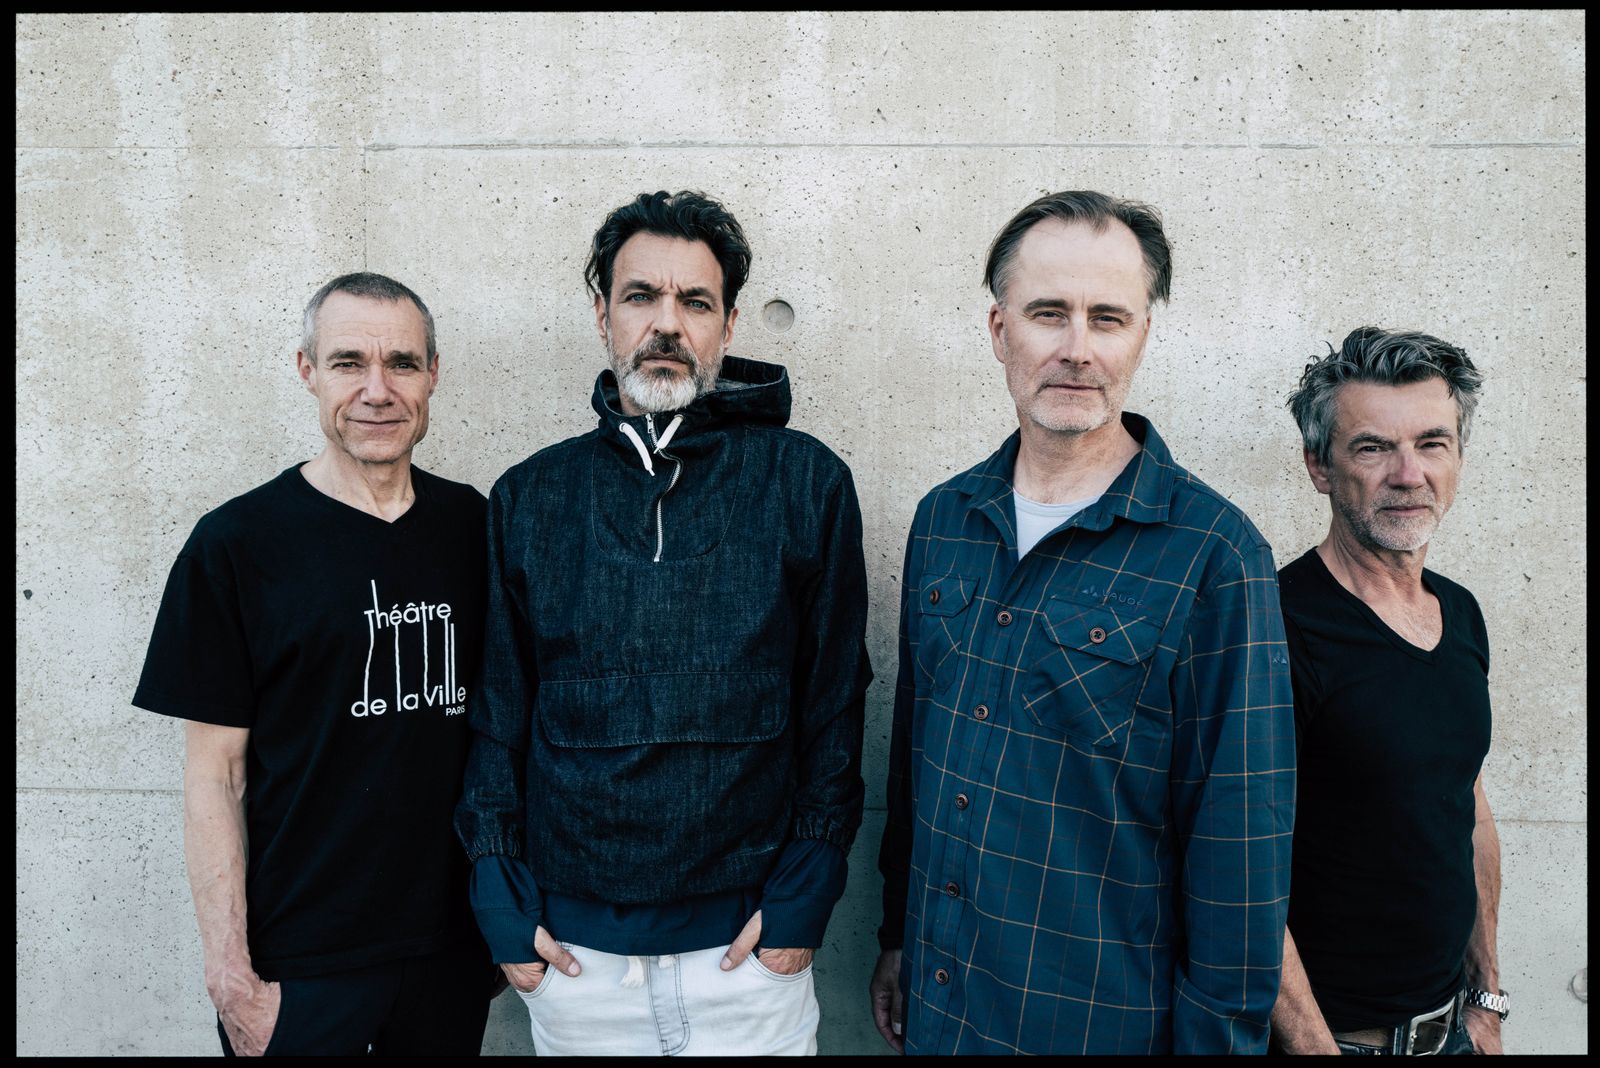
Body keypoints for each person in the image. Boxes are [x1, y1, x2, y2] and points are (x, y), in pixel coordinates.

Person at [870, 190, 1296, 1054]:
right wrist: (896, 935)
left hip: (1096, 1027)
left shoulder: (1213, 555)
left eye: (1108, 318)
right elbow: (915, 758)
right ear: (1000, 332)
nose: (1077, 348)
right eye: (1047, 314)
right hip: (940, 1013)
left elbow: (1240, 853)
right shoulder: (945, 520)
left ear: (1143, 335)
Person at [455, 189, 870, 1056]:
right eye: (641, 296)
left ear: (728, 324)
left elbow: (834, 705)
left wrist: (803, 899)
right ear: (603, 313)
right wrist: (500, 897)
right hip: (577, 963)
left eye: (696, 302)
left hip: (748, 961)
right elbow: (497, 712)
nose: (667, 324)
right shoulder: (531, 496)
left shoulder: (806, 482)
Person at [132, 273, 493, 1056]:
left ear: (433, 374)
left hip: (450, 951)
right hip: (298, 965)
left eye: (402, 362)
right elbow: (215, 776)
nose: (377, 390)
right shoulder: (236, 547)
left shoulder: (475, 526)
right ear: (307, 370)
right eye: (347, 363)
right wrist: (231, 977)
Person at [1271, 327, 1504, 1056]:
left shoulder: (1459, 612)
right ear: (1319, 465)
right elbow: (1232, 869)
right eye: (1373, 448)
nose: (1409, 474)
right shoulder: (1274, 630)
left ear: (1458, 457)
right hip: (1335, 1042)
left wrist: (1488, 1000)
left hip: (1453, 1032)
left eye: (1432, 443)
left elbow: (1466, 804)